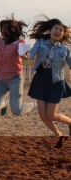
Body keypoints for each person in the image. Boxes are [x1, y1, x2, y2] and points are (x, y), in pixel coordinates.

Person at [27, 15, 71, 148]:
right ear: (50, 30)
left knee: (50, 114)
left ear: (63, 34)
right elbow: (31, 54)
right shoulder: (40, 41)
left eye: (61, 30)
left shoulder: (65, 49)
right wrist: (25, 55)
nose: (58, 31)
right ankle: (59, 134)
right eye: (55, 28)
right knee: (42, 115)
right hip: (41, 79)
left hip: (56, 81)